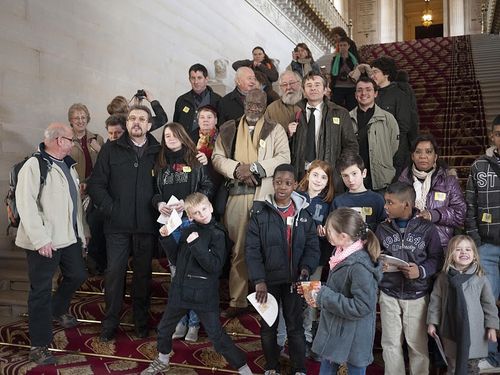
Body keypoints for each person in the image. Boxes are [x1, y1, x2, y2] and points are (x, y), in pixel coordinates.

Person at [140, 193, 252, 375]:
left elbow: (214, 266)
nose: (203, 214)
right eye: (197, 213)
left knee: (217, 336)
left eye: (204, 209)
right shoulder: (186, 230)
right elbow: (176, 258)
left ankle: (243, 368)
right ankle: (162, 360)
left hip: (204, 295)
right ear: (190, 216)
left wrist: (197, 244)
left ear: (211, 208)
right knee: (163, 329)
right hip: (181, 291)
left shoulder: (218, 234)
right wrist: (167, 238)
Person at [212, 89, 290, 318]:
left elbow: (284, 158)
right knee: (238, 249)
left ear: (265, 106)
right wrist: (237, 169)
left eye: (259, 105)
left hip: (265, 196)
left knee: (268, 247)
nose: (254, 108)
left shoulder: (275, 129)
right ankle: (237, 301)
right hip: (237, 194)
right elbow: (217, 158)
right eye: (250, 103)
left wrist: (254, 168)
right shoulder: (229, 128)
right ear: (244, 102)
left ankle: (266, 299)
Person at [16, 123, 88, 365]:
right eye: (71, 140)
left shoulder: (68, 166)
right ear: (59, 140)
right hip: (44, 241)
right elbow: (26, 205)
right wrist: (40, 239)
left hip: (68, 238)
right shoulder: (34, 165)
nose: (73, 143)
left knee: (77, 275)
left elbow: (73, 205)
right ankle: (39, 345)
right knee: (41, 291)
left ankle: (57, 309)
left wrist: (81, 233)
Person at [88, 104, 161, 341]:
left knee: (142, 276)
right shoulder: (110, 149)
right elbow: (96, 185)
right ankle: (110, 323)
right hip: (116, 225)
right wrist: (111, 209)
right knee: (115, 275)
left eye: (141, 118)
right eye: (132, 118)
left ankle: (140, 322)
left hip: (146, 225)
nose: (136, 122)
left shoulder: (158, 151)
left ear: (150, 125)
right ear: (127, 123)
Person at [245, 163, 320, 375]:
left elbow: (312, 246)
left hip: (294, 282)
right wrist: (258, 280)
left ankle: (299, 368)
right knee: (268, 328)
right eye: (278, 182)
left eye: (288, 183)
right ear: (273, 183)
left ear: (295, 184)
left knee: (295, 327)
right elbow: (252, 250)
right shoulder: (260, 212)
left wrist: (306, 268)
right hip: (267, 283)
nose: (282, 187)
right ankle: (271, 366)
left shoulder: (304, 213)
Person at [152, 122, 215, 342]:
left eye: (173, 134)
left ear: (182, 135)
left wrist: (187, 203)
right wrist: (160, 204)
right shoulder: (160, 162)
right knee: (176, 275)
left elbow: (208, 187)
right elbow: (153, 192)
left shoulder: (195, 159)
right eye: (166, 135)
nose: (169, 138)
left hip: (191, 222)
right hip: (171, 225)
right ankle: (180, 320)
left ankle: (194, 324)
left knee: (194, 275)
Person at [303, 208, 382, 374]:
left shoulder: (359, 265)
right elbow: (340, 287)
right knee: (326, 367)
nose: (325, 232)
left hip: (354, 334)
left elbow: (362, 306)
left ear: (343, 236)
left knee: (355, 369)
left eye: (329, 230)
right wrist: (318, 291)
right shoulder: (341, 253)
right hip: (337, 328)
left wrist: (323, 295)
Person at [375, 182, 443, 375]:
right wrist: (380, 265)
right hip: (389, 293)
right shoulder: (382, 228)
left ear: (406, 205)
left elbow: (437, 259)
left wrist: (420, 271)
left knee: (417, 345)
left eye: (390, 202)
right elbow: (374, 256)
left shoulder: (427, 228)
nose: (386, 206)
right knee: (390, 344)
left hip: (417, 295)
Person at [427, 235, 499, 375]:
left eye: (468, 249)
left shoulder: (480, 277)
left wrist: (492, 327)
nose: (464, 252)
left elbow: (489, 305)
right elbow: (435, 301)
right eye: (458, 249)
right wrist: (432, 322)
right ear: (450, 254)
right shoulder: (443, 278)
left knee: (471, 369)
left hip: (475, 333)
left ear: (474, 255)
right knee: (453, 367)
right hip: (451, 330)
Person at [465, 115, 500, 372]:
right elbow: (470, 205)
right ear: (492, 136)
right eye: (498, 133)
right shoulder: (479, 166)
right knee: (486, 302)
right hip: (487, 247)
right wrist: (476, 240)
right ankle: (490, 356)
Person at [288, 71, 358, 193]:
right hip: (301, 174)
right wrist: (289, 135)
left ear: (325, 89)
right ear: (304, 90)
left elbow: (351, 146)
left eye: (317, 85)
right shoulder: (295, 112)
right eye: (309, 85)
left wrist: (337, 170)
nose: (313, 88)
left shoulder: (340, 113)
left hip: (329, 175)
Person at [399, 134, 466, 250]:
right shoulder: (402, 181)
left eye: (428, 152)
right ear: (412, 156)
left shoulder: (448, 181)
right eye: (418, 152)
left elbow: (460, 214)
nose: (423, 156)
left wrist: (434, 214)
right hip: (409, 245)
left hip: (441, 245)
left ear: (435, 157)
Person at [296, 159, 334, 357]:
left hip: (316, 257)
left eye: (324, 177)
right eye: (315, 175)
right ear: (308, 175)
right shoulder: (296, 197)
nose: (318, 180)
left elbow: (333, 232)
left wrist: (325, 232)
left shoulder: (327, 204)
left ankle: (307, 335)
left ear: (328, 182)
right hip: (293, 255)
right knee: (294, 295)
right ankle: (290, 334)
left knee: (310, 297)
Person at [349, 76, 399, 192]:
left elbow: (394, 146)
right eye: (360, 90)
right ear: (356, 94)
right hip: (354, 179)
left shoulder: (388, 118)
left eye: (368, 89)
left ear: (375, 93)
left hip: (381, 178)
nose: (363, 93)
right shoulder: (347, 117)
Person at [370, 57, 417, 178]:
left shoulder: (399, 95)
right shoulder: (371, 95)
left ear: (386, 73)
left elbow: (404, 126)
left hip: (395, 150)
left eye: (375, 72)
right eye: (371, 72)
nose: (372, 75)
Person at [332, 153, 386, 231]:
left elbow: (384, 226)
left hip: (372, 242)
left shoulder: (377, 199)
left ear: (364, 173)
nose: (350, 180)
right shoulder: (338, 201)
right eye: (345, 176)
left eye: (354, 174)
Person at [173, 63, 221, 133]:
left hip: (209, 142)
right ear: (189, 79)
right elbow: (176, 127)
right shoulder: (181, 100)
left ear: (206, 79)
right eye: (193, 78)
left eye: (199, 78)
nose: (196, 82)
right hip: (185, 142)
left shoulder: (218, 100)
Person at [67, 103, 104, 184]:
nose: (80, 121)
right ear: (71, 120)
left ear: (87, 119)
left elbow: (106, 164)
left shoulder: (98, 139)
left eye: (83, 117)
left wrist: (100, 150)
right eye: (76, 118)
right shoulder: (65, 140)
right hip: (74, 186)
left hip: (95, 185)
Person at [264, 70, 303, 135]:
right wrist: (287, 132)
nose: (288, 87)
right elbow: (266, 136)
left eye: (292, 83)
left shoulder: (310, 104)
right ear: (280, 88)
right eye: (284, 84)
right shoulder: (272, 109)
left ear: (299, 83)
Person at [330, 37, 358, 111]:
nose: (342, 47)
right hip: (338, 86)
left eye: (344, 45)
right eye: (340, 45)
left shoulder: (354, 59)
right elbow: (333, 74)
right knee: (336, 109)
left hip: (351, 86)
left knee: (352, 108)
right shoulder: (335, 59)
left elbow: (357, 71)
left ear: (348, 46)